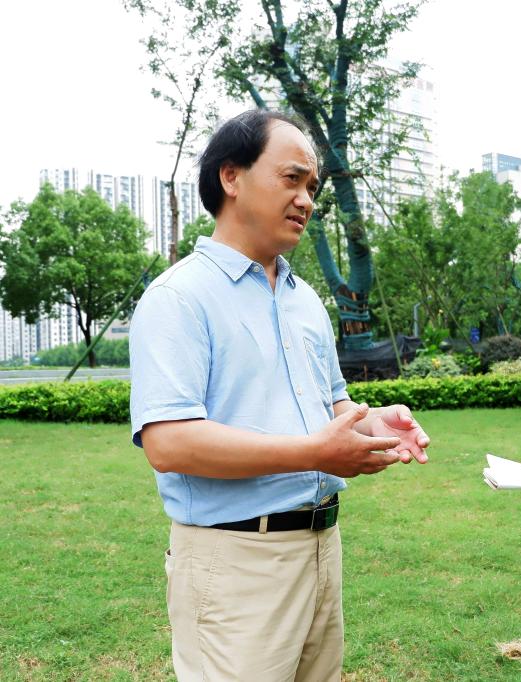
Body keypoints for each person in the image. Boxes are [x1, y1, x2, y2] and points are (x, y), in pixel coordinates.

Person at [129, 109, 430, 681]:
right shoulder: (179, 297)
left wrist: (372, 423)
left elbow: (332, 404)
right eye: (292, 179)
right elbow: (169, 444)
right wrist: (315, 453)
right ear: (231, 176)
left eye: (312, 187)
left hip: (321, 548)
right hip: (234, 560)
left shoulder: (304, 300)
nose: (306, 200)